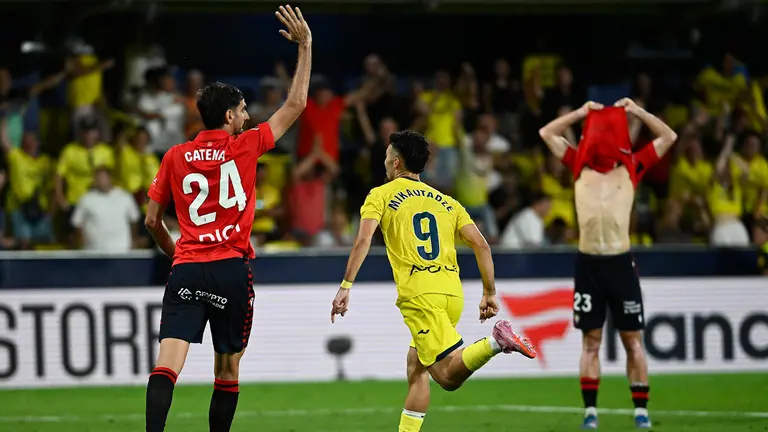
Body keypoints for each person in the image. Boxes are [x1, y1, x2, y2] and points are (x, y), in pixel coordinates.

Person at [142, 6, 311, 432]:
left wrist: (176, 250)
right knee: (227, 371)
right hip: (230, 270)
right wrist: (305, 46)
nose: (248, 116)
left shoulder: (175, 156)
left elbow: (150, 221)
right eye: (242, 110)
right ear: (229, 117)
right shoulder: (247, 145)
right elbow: (296, 103)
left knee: (167, 367)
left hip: (187, 269)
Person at [330, 130, 537, 432]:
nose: (385, 161)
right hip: (452, 294)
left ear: (397, 162)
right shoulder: (447, 201)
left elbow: (363, 240)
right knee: (417, 368)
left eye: (388, 156)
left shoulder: (380, 195)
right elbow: (482, 245)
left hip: (420, 295)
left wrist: (345, 287)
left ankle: (497, 342)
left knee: (447, 377)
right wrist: (489, 293)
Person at [538, 98, 677, 429]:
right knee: (591, 341)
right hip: (589, 264)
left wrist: (637, 112)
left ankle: (640, 410)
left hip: (619, 263)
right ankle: (591, 412)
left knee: (633, 341)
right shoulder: (578, 165)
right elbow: (546, 132)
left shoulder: (632, 166)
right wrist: (581, 113)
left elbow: (669, 136)